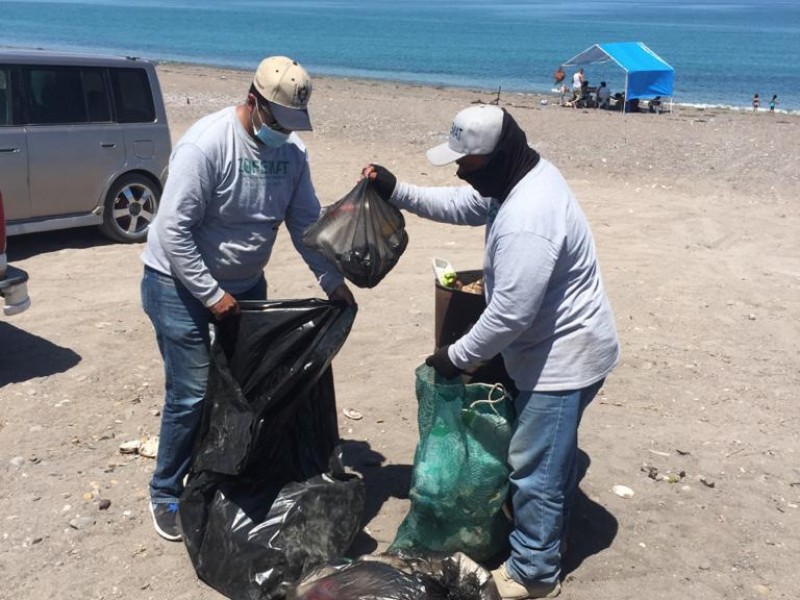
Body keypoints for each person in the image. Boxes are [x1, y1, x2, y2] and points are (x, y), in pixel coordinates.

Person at [363, 105, 620, 599]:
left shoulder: (529, 216)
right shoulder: (516, 179)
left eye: (468, 162)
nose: (460, 170)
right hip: (553, 347)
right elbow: (465, 205)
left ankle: (533, 571)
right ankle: (545, 538)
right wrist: (398, 191)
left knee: (533, 465)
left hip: (566, 357)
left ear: (497, 155)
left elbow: (509, 315)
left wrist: (453, 357)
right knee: (548, 459)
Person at [140, 56, 355, 541]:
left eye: (291, 122)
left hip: (243, 289)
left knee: (240, 388)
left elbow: (305, 227)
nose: (283, 130)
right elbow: (172, 230)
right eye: (277, 119)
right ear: (253, 101)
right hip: (177, 284)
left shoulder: (292, 155)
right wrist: (212, 294)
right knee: (192, 391)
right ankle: (166, 492)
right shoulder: (207, 146)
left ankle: (215, 470)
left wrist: (331, 282)